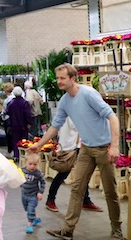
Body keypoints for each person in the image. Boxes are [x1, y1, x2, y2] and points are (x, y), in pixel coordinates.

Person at [29, 63, 125, 240]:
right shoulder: (65, 100)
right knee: (76, 189)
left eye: (62, 78)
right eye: (57, 78)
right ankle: (67, 230)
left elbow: (112, 117)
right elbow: (55, 126)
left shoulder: (88, 94)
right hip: (86, 149)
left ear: (73, 78)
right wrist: (39, 145)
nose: (59, 81)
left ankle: (117, 230)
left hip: (104, 148)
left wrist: (115, 146)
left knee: (110, 191)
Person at [46, 117, 102, 213]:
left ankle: (86, 200)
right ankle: (50, 200)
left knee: (84, 174)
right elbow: (76, 125)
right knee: (63, 174)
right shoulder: (70, 109)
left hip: (79, 146)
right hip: (69, 147)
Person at [20, 152, 45, 234]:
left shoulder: (37, 173)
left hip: (33, 195)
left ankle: (29, 225)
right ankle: (36, 218)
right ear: (25, 163)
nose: (32, 166)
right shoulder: (22, 170)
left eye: (35, 164)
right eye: (30, 164)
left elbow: (43, 182)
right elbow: (18, 176)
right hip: (24, 194)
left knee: (30, 210)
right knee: (27, 209)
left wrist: (40, 192)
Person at [5, 86, 32, 160]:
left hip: (13, 125)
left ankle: (16, 155)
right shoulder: (24, 103)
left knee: (15, 140)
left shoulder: (11, 103)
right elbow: (27, 114)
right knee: (24, 140)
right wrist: (29, 122)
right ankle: (24, 154)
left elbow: (7, 112)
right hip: (23, 125)